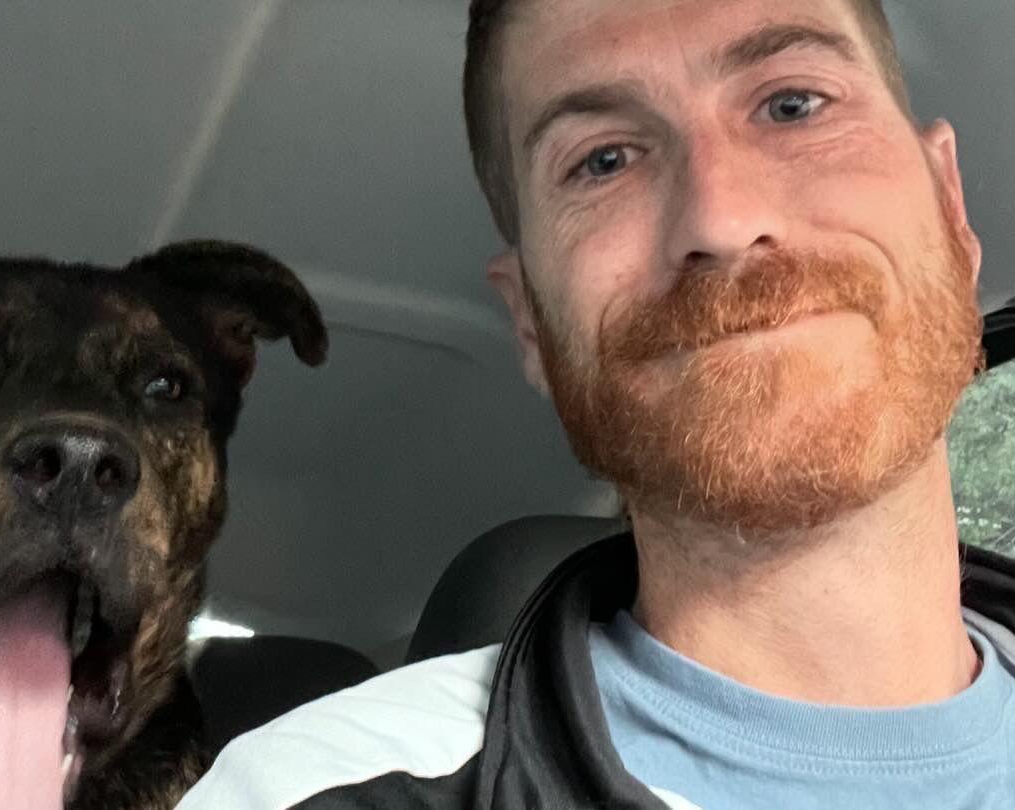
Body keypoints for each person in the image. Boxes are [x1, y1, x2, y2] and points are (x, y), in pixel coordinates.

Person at [175, 0, 1015, 808]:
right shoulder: (300, 795)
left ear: (950, 206)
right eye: (604, 160)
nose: (721, 218)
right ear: (532, 323)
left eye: (793, 105)